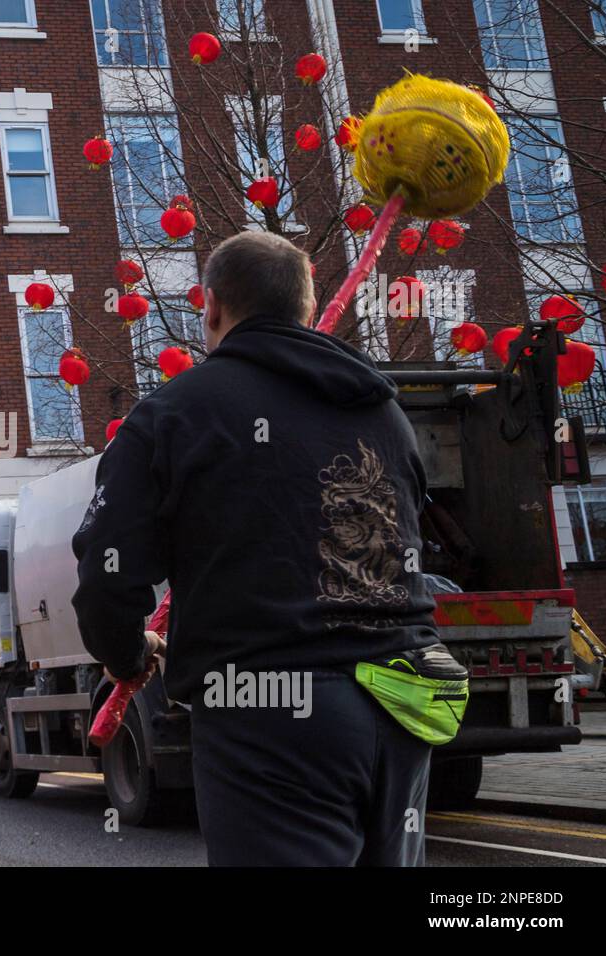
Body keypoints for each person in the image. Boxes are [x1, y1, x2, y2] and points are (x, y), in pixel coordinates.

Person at [72, 230, 443, 866]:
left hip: (272, 708)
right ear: (306, 306)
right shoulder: (384, 411)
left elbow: (109, 571)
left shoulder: (173, 415)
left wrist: (128, 654)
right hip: (409, 692)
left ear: (211, 306)